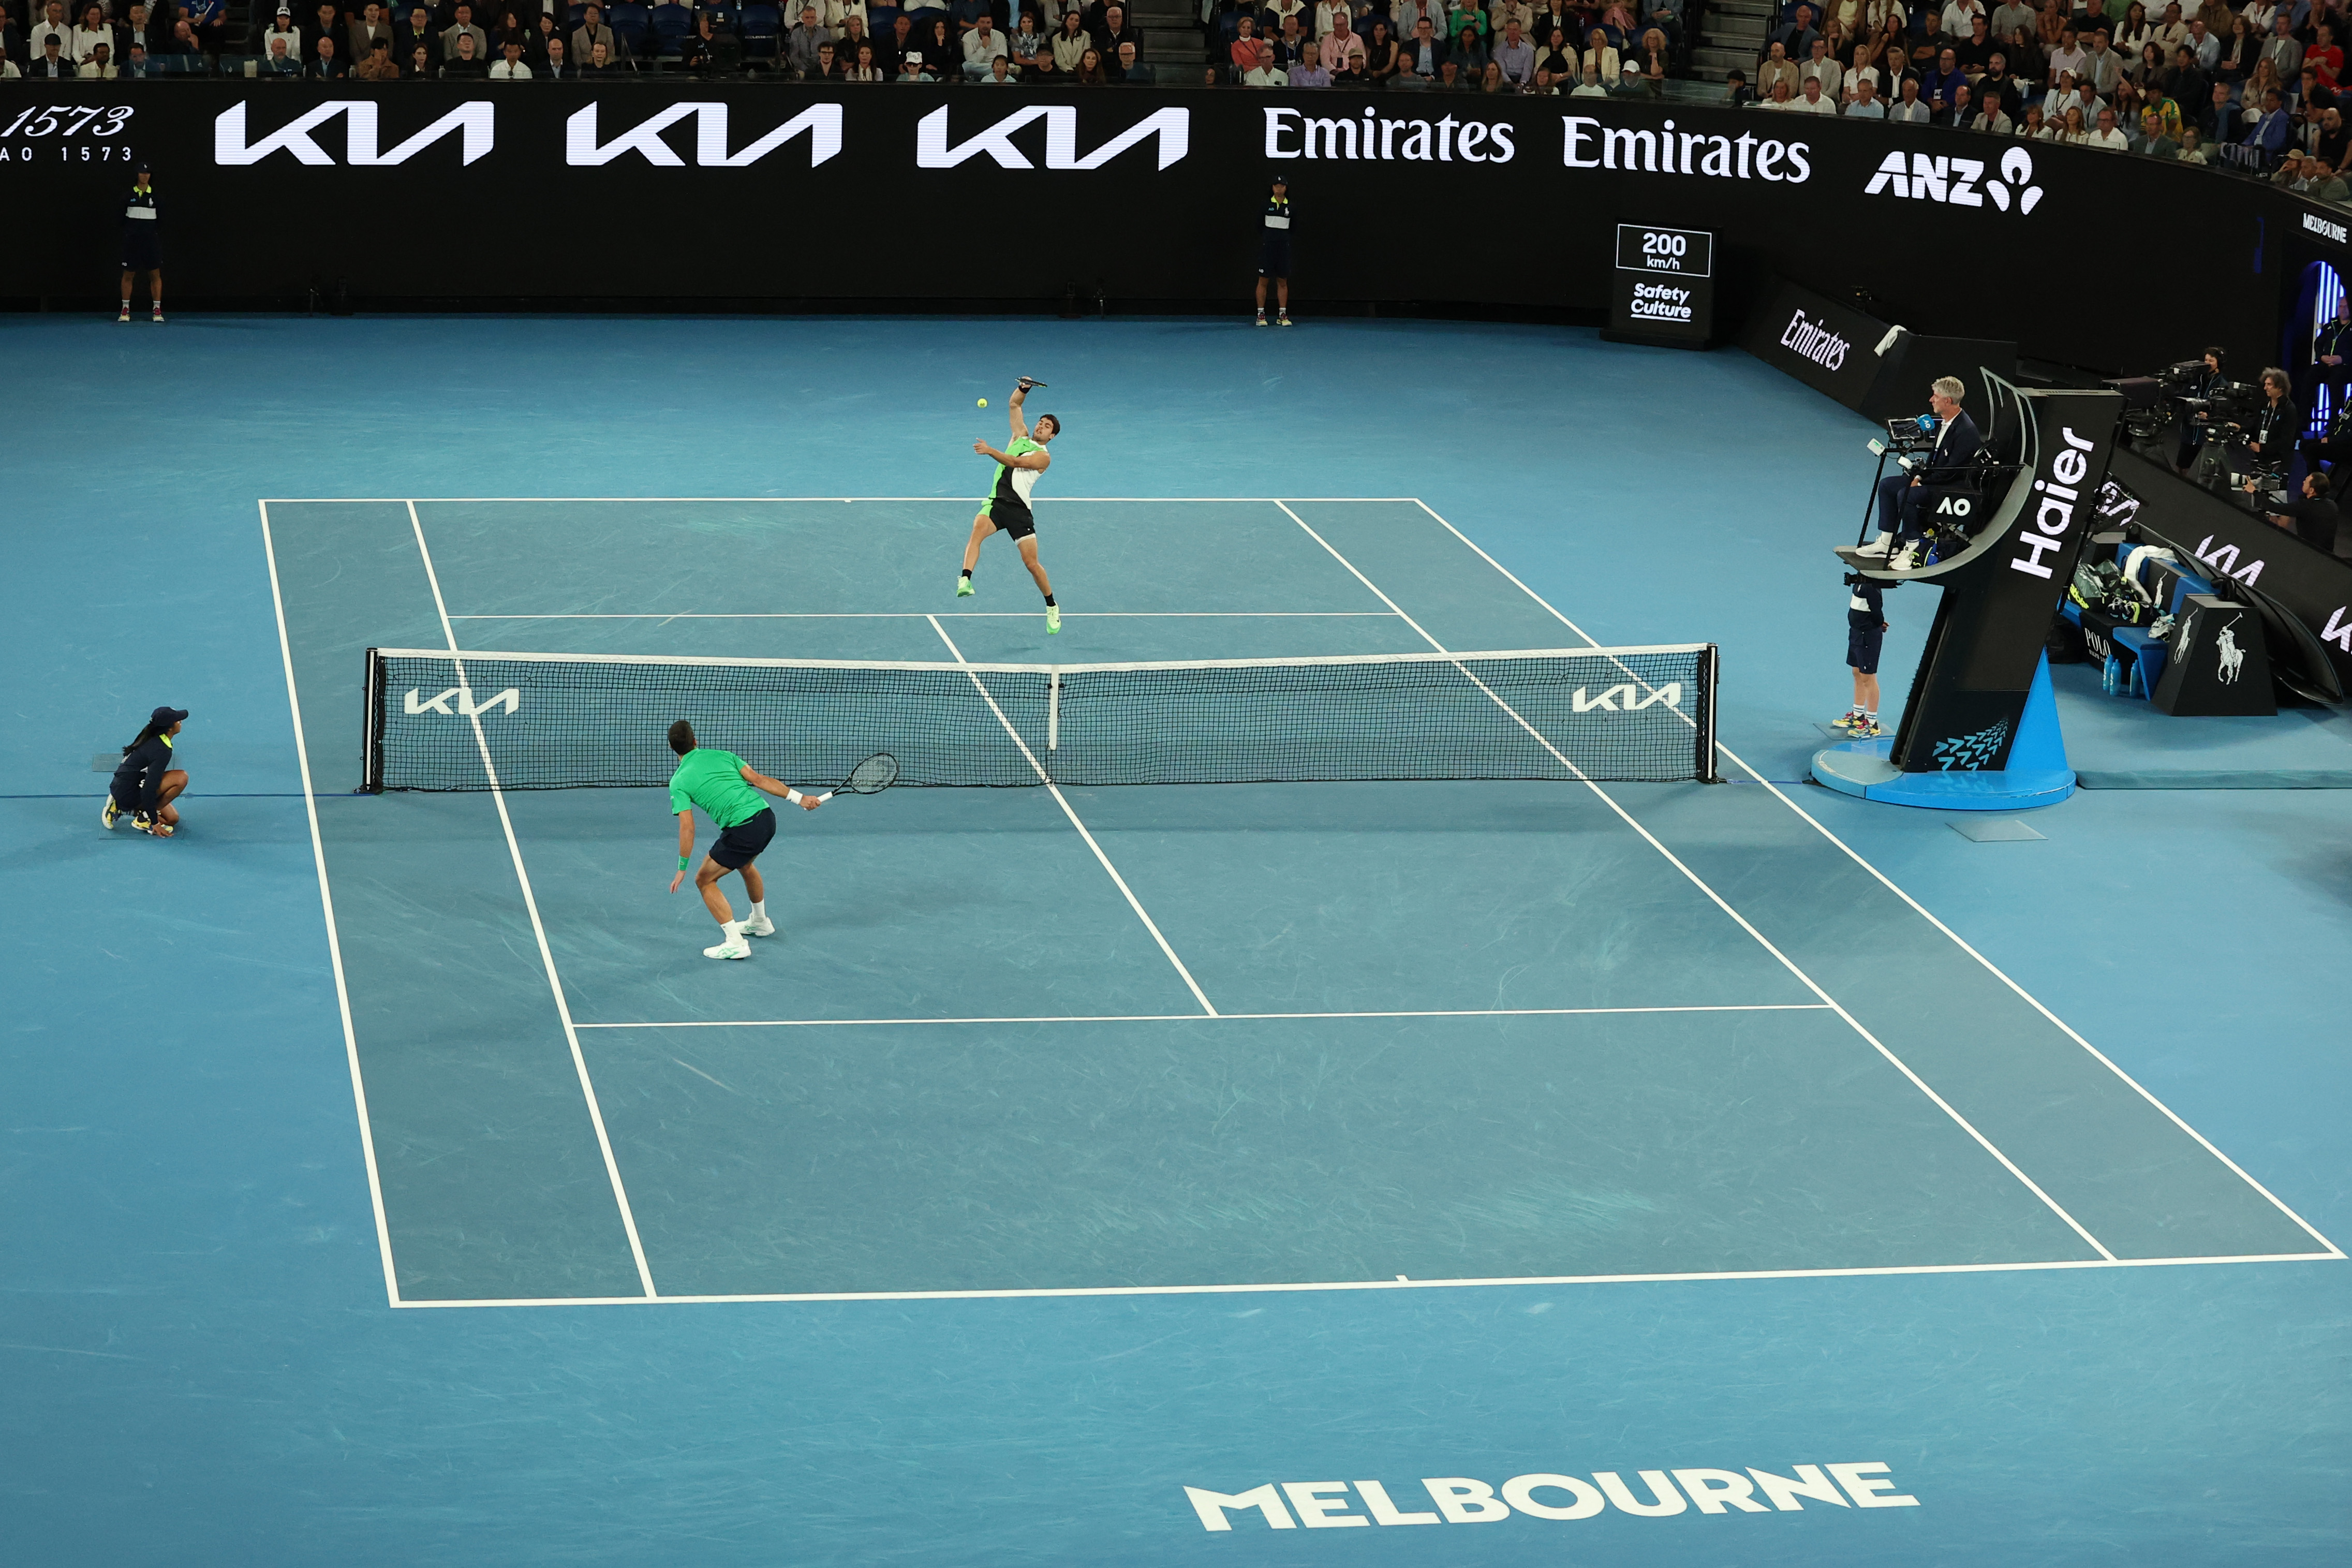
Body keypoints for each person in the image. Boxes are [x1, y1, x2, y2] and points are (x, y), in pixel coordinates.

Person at [664, 720, 822, 962]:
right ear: (695, 741)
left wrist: (681, 868)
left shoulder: (679, 782)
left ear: (672, 748)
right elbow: (758, 780)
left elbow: (688, 827)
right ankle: (760, 922)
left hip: (744, 829)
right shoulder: (723, 756)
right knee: (745, 863)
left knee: (704, 880)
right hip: (766, 819)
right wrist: (799, 798)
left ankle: (735, 943)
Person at [956, 379, 1063, 635]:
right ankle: (965, 579)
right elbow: (1014, 405)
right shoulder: (1019, 435)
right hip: (996, 503)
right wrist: (1024, 388)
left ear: (1052, 436)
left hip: (1019, 512)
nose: (1041, 426)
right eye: (1040, 422)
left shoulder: (1043, 457)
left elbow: (1014, 462)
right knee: (977, 531)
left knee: (1031, 564)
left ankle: (1051, 606)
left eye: (1047, 426)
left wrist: (991, 450)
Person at [1859, 376, 1984, 570]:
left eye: (1935, 396)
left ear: (1947, 401)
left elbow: (1950, 472)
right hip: (1937, 479)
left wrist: (1921, 482)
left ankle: (1912, 547)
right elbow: (1936, 462)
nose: (1931, 400)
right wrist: (1918, 476)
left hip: (1951, 487)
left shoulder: (1966, 431)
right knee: (1887, 486)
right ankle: (1887, 543)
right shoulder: (1945, 422)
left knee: (1906, 495)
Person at [106, 706, 189, 837]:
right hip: (128, 792)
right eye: (178, 720)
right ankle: (143, 819)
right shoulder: (161, 751)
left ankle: (122, 808)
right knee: (181, 778)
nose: (181, 722)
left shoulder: (153, 736)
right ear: (169, 727)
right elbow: (149, 789)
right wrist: (154, 823)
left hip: (124, 787)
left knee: (172, 819)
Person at [1835, 576, 1889, 738]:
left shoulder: (1871, 587)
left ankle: (1872, 724)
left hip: (1868, 637)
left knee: (1868, 678)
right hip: (1856, 633)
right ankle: (1858, 716)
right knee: (1857, 673)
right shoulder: (1860, 583)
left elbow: (1877, 613)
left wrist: (1880, 625)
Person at [2250, 467, 2341, 551]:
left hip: (2309, 551)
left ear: (2312, 490)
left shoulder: (2306, 506)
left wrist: (2254, 491)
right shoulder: (2333, 505)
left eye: (2306, 481)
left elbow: (2273, 507)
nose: (2303, 482)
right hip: (2328, 554)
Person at [2232, 366, 2300, 479]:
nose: (2265, 388)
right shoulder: (2265, 405)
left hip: (2278, 461)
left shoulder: (2289, 409)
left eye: (2269, 385)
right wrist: (2240, 428)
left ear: (2280, 387)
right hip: (2261, 458)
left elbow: (2286, 440)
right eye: (2265, 384)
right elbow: (2255, 427)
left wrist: (2263, 448)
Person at [117, 162, 162, 324]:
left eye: (148, 173)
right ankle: (125, 309)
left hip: (150, 242)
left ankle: (157, 309)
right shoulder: (127, 196)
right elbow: (121, 220)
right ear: (137, 175)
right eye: (142, 173)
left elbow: (161, 220)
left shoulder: (156, 197)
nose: (145, 176)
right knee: (128, 275)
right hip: (132, 242)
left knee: (155, 275)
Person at [1253, 175, 1292, 327]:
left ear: (1285, 188)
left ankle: (1282, 314)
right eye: (1277, 186)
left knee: (1282, 281)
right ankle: (1260, 314)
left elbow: (1294, 228)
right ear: (1273, 188)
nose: (1279, 189)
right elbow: (1259, 226)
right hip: (1268, 248)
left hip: (1283, 249)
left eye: (1282, 186)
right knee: (1263, 279)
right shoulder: (1265, 205)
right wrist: (1269, 239)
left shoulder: (1291, 207)